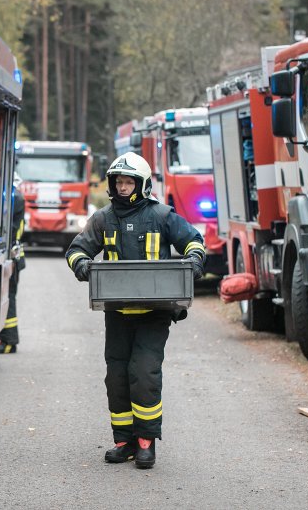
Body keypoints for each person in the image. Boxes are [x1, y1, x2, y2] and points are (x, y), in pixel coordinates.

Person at [65, 152, 205, 469]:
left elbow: (193, 241)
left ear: (141, 184)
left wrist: (195, 261)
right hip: (117, 313)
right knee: (116, 377)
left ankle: (146, 442)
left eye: (129, 182)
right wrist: (83, 266)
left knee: (143, 374)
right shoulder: (103, 218)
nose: (124, 187)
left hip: (155, 313)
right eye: (119, 182)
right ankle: (124, 442)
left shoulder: (162, 215)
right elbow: (76, 249)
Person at [0, 173, 26, 354]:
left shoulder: (15, 198)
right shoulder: (17, 197)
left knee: (9, 297)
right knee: (8, 296)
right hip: (14, 256)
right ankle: (7, 339)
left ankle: (8, 341)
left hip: (12, 257)